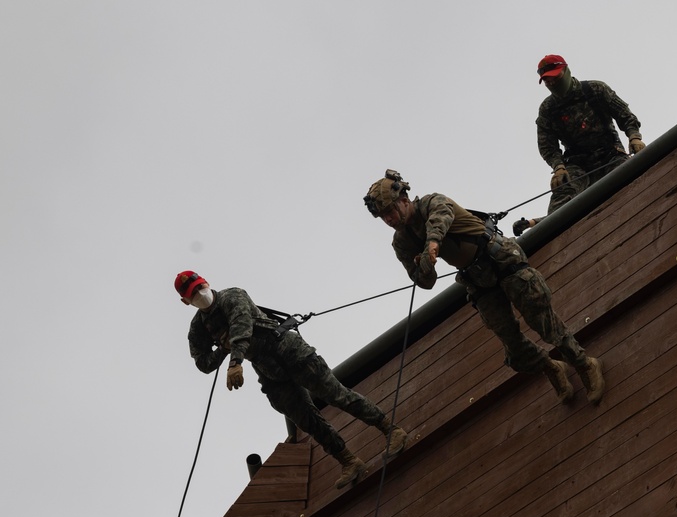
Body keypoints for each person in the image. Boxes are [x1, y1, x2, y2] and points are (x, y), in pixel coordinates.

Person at [363, 170, 605, 406]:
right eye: (383, 217)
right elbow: (424, 282)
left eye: (390, 211)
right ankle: (551, 367)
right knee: (512, 345)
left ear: (404, 201)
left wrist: (432, 244)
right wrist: (423, 268)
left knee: (543, 320)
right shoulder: (402, 241)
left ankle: (584, 363)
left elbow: (441, 218)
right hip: (478, 280)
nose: (389, 220)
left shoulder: (432, 202)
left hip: (500, 260)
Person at [174, 271, 407, 489]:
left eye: (200, 287)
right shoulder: (198, 328)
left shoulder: (232, 295)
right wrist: (223, 350)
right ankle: (348, 460)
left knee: (336, 395)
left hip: (288, 350)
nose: (200, 294)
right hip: (269, 370)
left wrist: (235, 361)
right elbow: (203, 363)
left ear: (207, 282)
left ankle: (390, 429)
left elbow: (241, 326)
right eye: (193, 294)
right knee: (306, 419)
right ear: (186, 302)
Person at [514, 54, 645, 237]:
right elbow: (548, 146)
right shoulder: (548, 109)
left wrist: (634, 138)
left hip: (610, 154)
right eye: (547, 81)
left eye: (555, 78)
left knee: (631, 181)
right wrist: (558, 167)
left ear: (566, 71)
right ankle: (546, 233)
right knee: (563, 194)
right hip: (577, 163)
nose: (551, 84)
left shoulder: (595, 89)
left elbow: (624, 115)